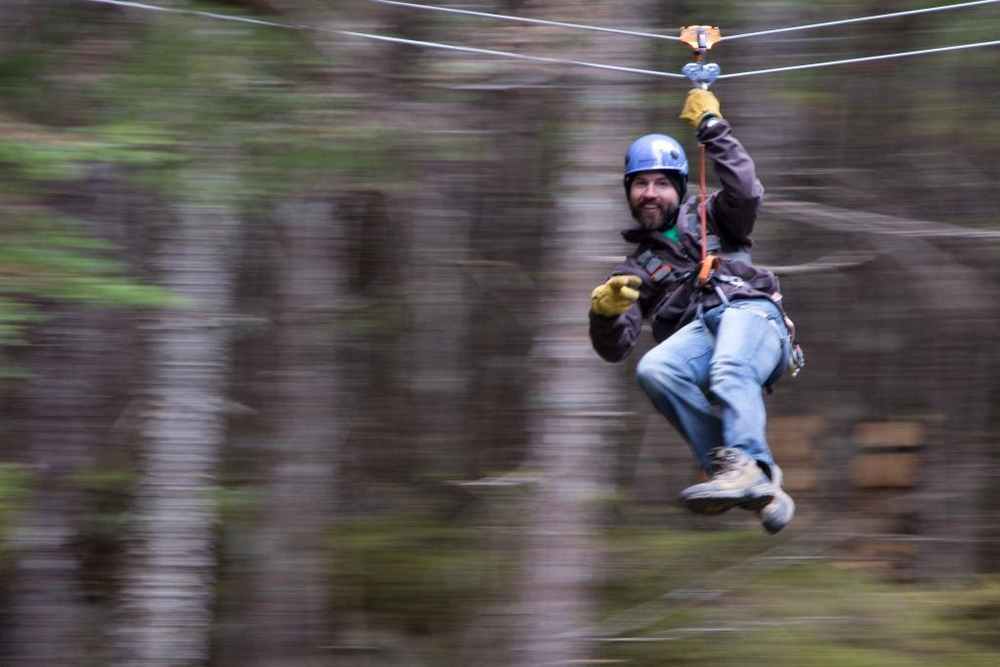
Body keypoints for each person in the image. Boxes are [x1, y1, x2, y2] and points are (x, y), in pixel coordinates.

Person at [588, 88, 799, 534]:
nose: (649, 193)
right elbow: (616, 348)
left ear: (679, 188)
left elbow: (746, 192)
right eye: (640, 184)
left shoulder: (715, 216)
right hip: (707, 336)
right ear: (629, 192)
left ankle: (746, 463)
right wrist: (605, 314)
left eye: (661, 183)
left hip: (754, 320)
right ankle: (745, 473)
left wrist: (714, 130)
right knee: (655, 369)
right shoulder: (633, 271)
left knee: (727, 367)